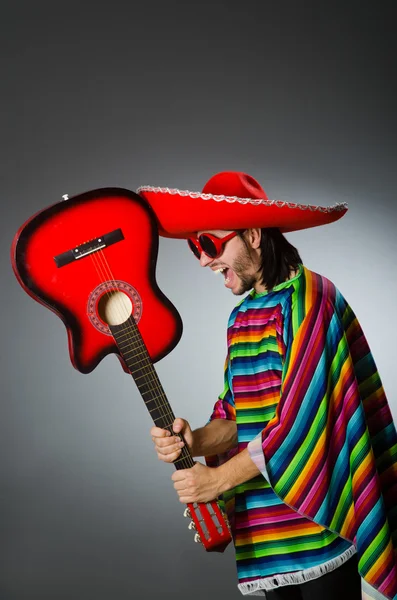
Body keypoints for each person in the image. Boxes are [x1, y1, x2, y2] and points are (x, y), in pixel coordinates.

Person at [137, 172, 397, 600]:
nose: (203, 261)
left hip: (321, 525)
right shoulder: (241, 317)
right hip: (266, 536)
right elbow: (237, 417)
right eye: (194, 247)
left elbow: (299, 425)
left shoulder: (312, 299)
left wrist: (216, 481)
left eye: (210, 245)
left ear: (254, 235)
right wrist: (195, 438)